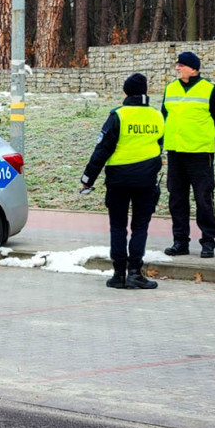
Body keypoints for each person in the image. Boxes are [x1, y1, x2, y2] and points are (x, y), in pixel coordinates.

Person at [80, 73, 165, 290]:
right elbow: (160, 145)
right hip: (146, 180)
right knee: (140, 227)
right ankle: (135, 273)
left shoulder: (118, 115)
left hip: (118, 181)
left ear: (126, 92)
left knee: (118, 226)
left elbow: (102, 150)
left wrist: (87, 179)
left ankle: (118, 274)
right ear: (145, 91)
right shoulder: (157, 116)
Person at [159, 51, 215, 259]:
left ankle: (208, 242)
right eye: (177, 65)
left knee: (203, 198)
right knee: (177, 199)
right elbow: (165, 116)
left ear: (194, 68)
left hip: (200, 153)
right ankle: (180, 241)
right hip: (175, 152)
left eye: (181, 65)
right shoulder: (171, 88)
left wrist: (208, 136)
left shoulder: (211, 89)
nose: (177, 68)